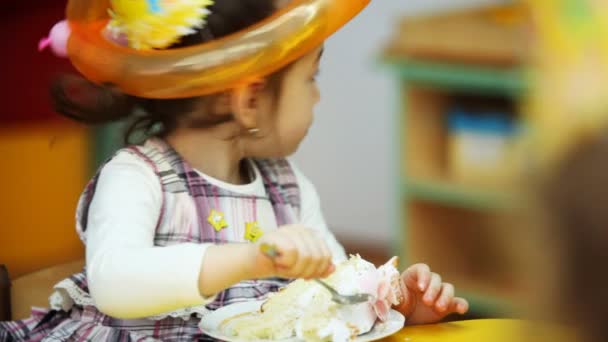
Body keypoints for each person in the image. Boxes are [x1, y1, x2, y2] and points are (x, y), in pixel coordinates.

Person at [0, 0, 468, 340]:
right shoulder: (137, 177)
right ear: (249, 99)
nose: (317, 96)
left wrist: (394, 299)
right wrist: (248, 259)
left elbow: (334, 290)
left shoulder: (288, 190)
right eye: (311, 79)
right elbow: (114, 283)